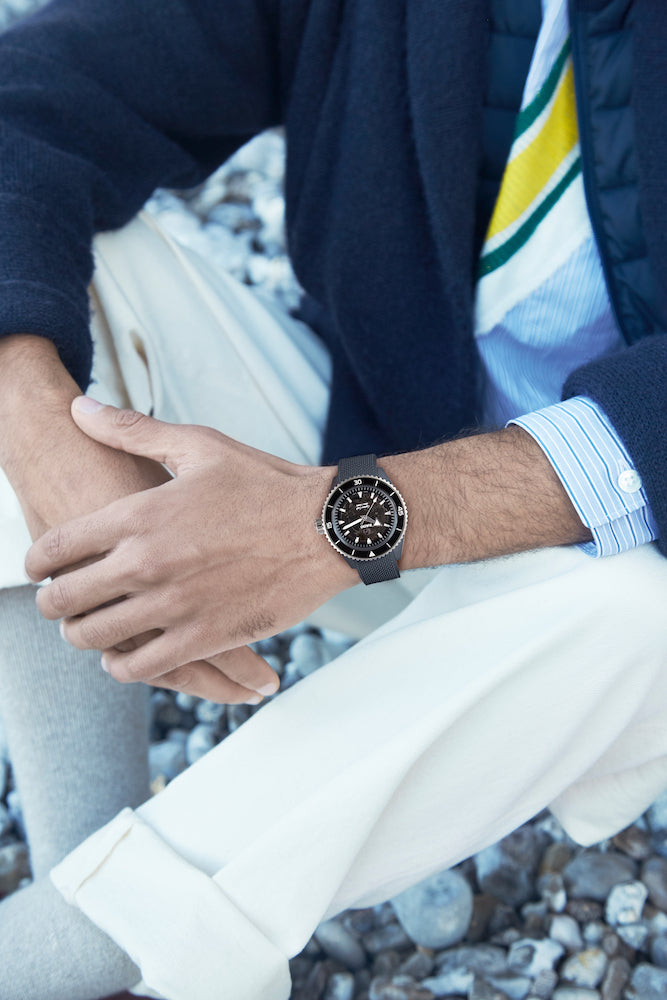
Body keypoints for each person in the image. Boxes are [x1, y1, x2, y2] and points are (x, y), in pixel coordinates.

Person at [0, 0, 666, 998]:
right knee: (44, 301)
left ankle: (63, 954)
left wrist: (335, 523)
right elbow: (36, 96)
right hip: (369, 443)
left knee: (636, 611)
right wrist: (35, 422)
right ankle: (83, 880)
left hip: (617, 553)